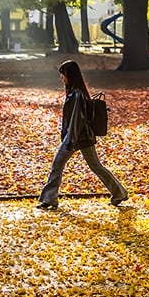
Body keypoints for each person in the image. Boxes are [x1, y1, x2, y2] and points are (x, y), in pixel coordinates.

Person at [37, 59, 128, 211]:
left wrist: (69, 141)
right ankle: (119, 193)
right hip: (82, 137)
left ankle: (49, 199)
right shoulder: (75, 92)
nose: (61, 77)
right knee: (96, 166)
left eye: (63, 74)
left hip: (76, 138)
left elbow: (76, 120)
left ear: (70, 75)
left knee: (57, 165)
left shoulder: (77, 95)